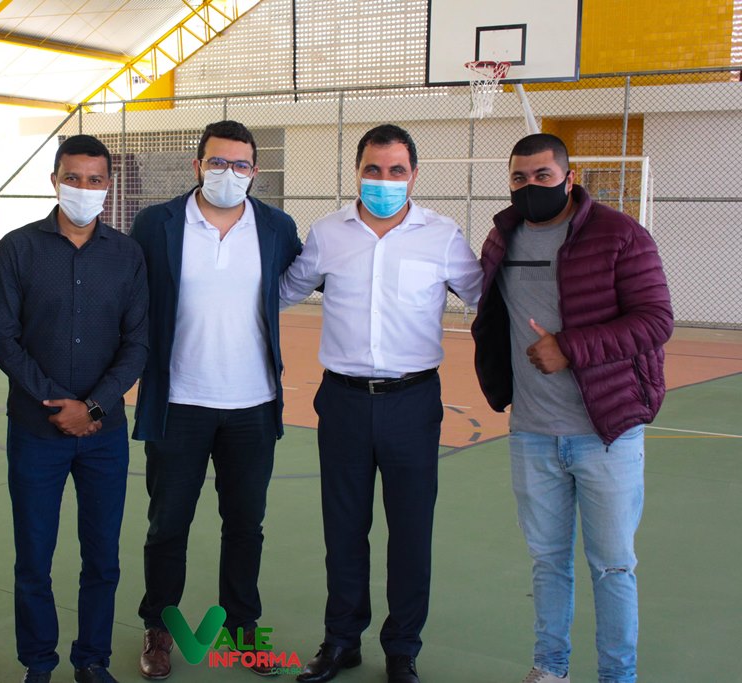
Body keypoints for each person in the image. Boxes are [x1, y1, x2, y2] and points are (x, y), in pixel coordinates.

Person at [280, 124, 482, 683]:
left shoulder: (442, 236)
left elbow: (488, 297)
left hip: (412, 403)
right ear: (357, 172)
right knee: (343, 529)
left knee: (411, 532)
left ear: (414, 176)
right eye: (374, 169)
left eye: (397, 170)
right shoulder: (328, 234)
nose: (384, 180)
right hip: (342, 402)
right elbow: (283, 290)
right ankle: (341, 641)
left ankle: (402, 648)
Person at [470, 133, 673, 683]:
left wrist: (570, 347)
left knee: (612, 566)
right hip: (532, 433)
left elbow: (656, 321)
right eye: (519, 178)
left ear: (568, 176)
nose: (530, 186)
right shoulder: (502, 237)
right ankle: (550, 668)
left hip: (606, 433)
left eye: (542, 175)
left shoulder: (620, 234)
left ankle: (617, 676)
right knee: (547, 562)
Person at [130, 120, 302, 679]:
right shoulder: (156, 223)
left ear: (255, 171)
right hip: (178, 402)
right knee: (167, 524)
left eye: (241, 164)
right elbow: (129, 293)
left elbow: (308, 279)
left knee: (246, 524)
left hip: (253, 404)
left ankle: (243, 627)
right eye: (218, 162)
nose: (229, 173)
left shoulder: (276, 227)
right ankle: (159, 627)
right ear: (197, 166)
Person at [0, 134, 148, 683]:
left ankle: (92, 660)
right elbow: (3, 339)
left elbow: (138, 344)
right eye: (73, 178)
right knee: (34, 557)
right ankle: (38, 663)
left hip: (104, 435)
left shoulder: (127, 255)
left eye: (94, 179)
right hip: (37, 432)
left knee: (102, 557)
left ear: (109, 185)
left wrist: (94, 406)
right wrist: (57, 403)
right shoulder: (17, 249)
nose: (84, 188)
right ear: (54, 180)